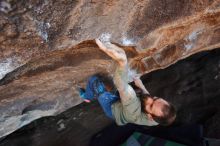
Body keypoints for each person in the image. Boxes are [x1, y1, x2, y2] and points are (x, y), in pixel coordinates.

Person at [78, 38, 176, 126]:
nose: (150, 99)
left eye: (151, 105)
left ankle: (87, 97)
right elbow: (149, 100)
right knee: (134, 94)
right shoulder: (159, 118)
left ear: (150, 117)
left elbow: (122, 86)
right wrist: (141, 86)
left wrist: (122, 63)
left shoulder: (134, 111)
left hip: (113, 110)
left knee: (95, 81)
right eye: (155, 98)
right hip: (124, 107)